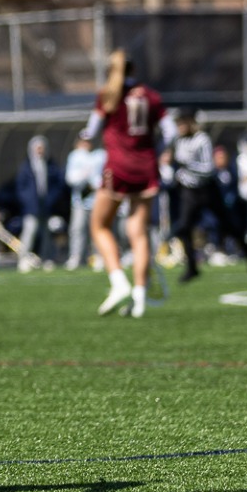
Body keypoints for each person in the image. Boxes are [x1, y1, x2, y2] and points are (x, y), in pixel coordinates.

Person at [82, 50, 174, 317]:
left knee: (99, 225)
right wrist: (155, 151)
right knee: (138, 231)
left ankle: (119, 282)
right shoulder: (151, 96)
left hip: (119, 167)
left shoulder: (108, 95)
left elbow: (91, 131)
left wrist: (85, 135)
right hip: (146, 168)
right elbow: (168, 132)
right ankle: (140, 297)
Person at [167, 111, 247, 282]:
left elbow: (207, 168)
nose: (180, 127)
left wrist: (186, 165)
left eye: (182, 123)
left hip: (207, 189)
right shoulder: (178, 140)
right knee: (184, 228)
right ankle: (192, 266)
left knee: (227, 225)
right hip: (189, 191)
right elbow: (178, 166)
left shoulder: (202, 139)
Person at [14, 135, 67, 270]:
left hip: (46, 206)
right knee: (29, 232)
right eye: (37, 148)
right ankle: (23, 259)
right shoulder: (26, 166)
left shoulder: (50, 165)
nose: (40, 151)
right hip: (32, 207)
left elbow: (58, 184)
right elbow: (21, 186)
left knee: (46, 234)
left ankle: (47, 258)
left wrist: (51, 199)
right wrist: (28, 200)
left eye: (42, 148)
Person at [62, 133, 106, 270]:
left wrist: (95, 183)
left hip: (96, 200)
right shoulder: (75, 156)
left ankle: (99, 256)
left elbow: (104, 176)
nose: (86, 143)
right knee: (77, 229)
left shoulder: (100, 155)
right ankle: (76, 256)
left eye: (89, 141)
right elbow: (70, 178)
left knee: (97, 230)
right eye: (84, 141)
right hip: (80, 201)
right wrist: (84, 177)